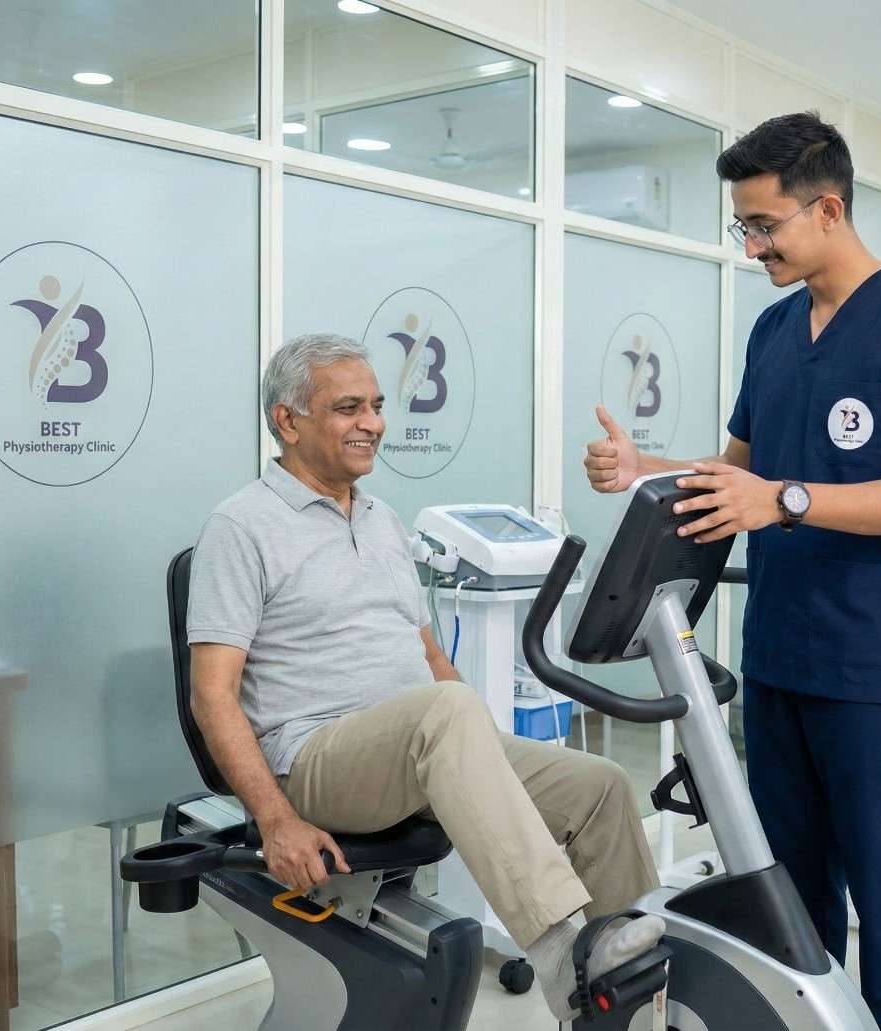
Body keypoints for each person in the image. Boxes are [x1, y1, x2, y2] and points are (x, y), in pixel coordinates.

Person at [584, 111, 881, 1031]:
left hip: (878, 662)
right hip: (781, 659)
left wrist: (787, 500)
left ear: (828, 208)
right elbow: (737, 476)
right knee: (791, 894)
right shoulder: (772, 331)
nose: (751, 246)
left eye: (764, 226)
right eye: (744, 227)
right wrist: (648, 469)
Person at [187, 332, 664, 1021]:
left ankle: (630, 1009)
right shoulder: (241, 526)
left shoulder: (382, 519)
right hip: (315, 759)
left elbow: (429, 655)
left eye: (376, 405)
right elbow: (212, 694)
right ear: (288, 420)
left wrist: (492, 759)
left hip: (418, 745)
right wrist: (276, 819)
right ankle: (567, 961)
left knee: (600, 788)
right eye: (349, 407)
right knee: (444, 711)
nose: (373, 423)